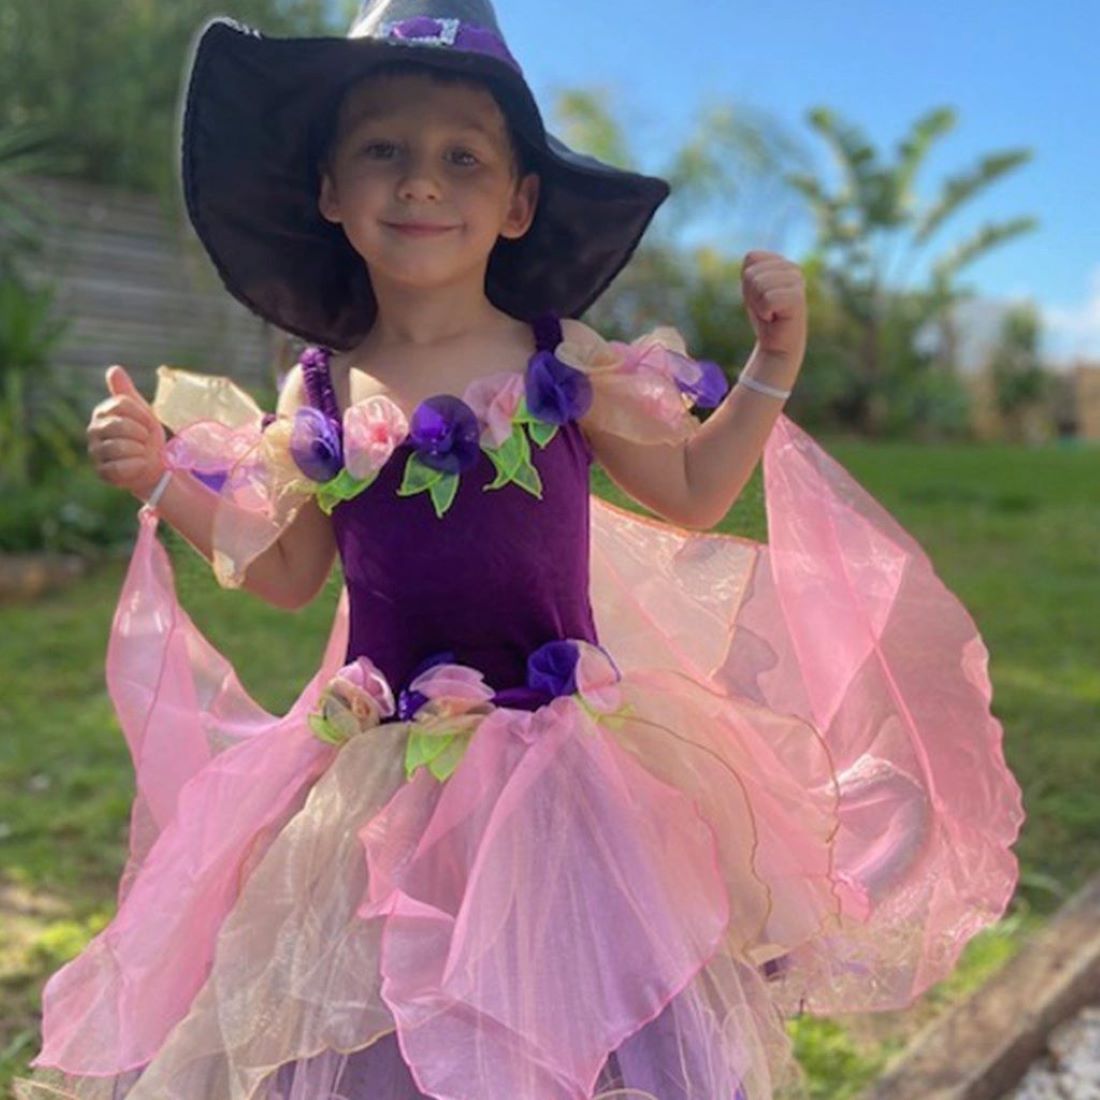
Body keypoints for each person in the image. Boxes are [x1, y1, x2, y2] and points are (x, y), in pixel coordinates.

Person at [14, 2, 1026, 1098]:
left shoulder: (559, 362)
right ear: (329, 190)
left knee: (582, 1014)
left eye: (461, 158)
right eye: (383, 153)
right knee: (383, 1028)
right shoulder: (315, 389)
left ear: (518, 201)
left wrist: (770, 365)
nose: (420, 183)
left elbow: (691, 492)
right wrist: (168, 478)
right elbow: (292, 572)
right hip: (386, 777)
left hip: (564, 779)